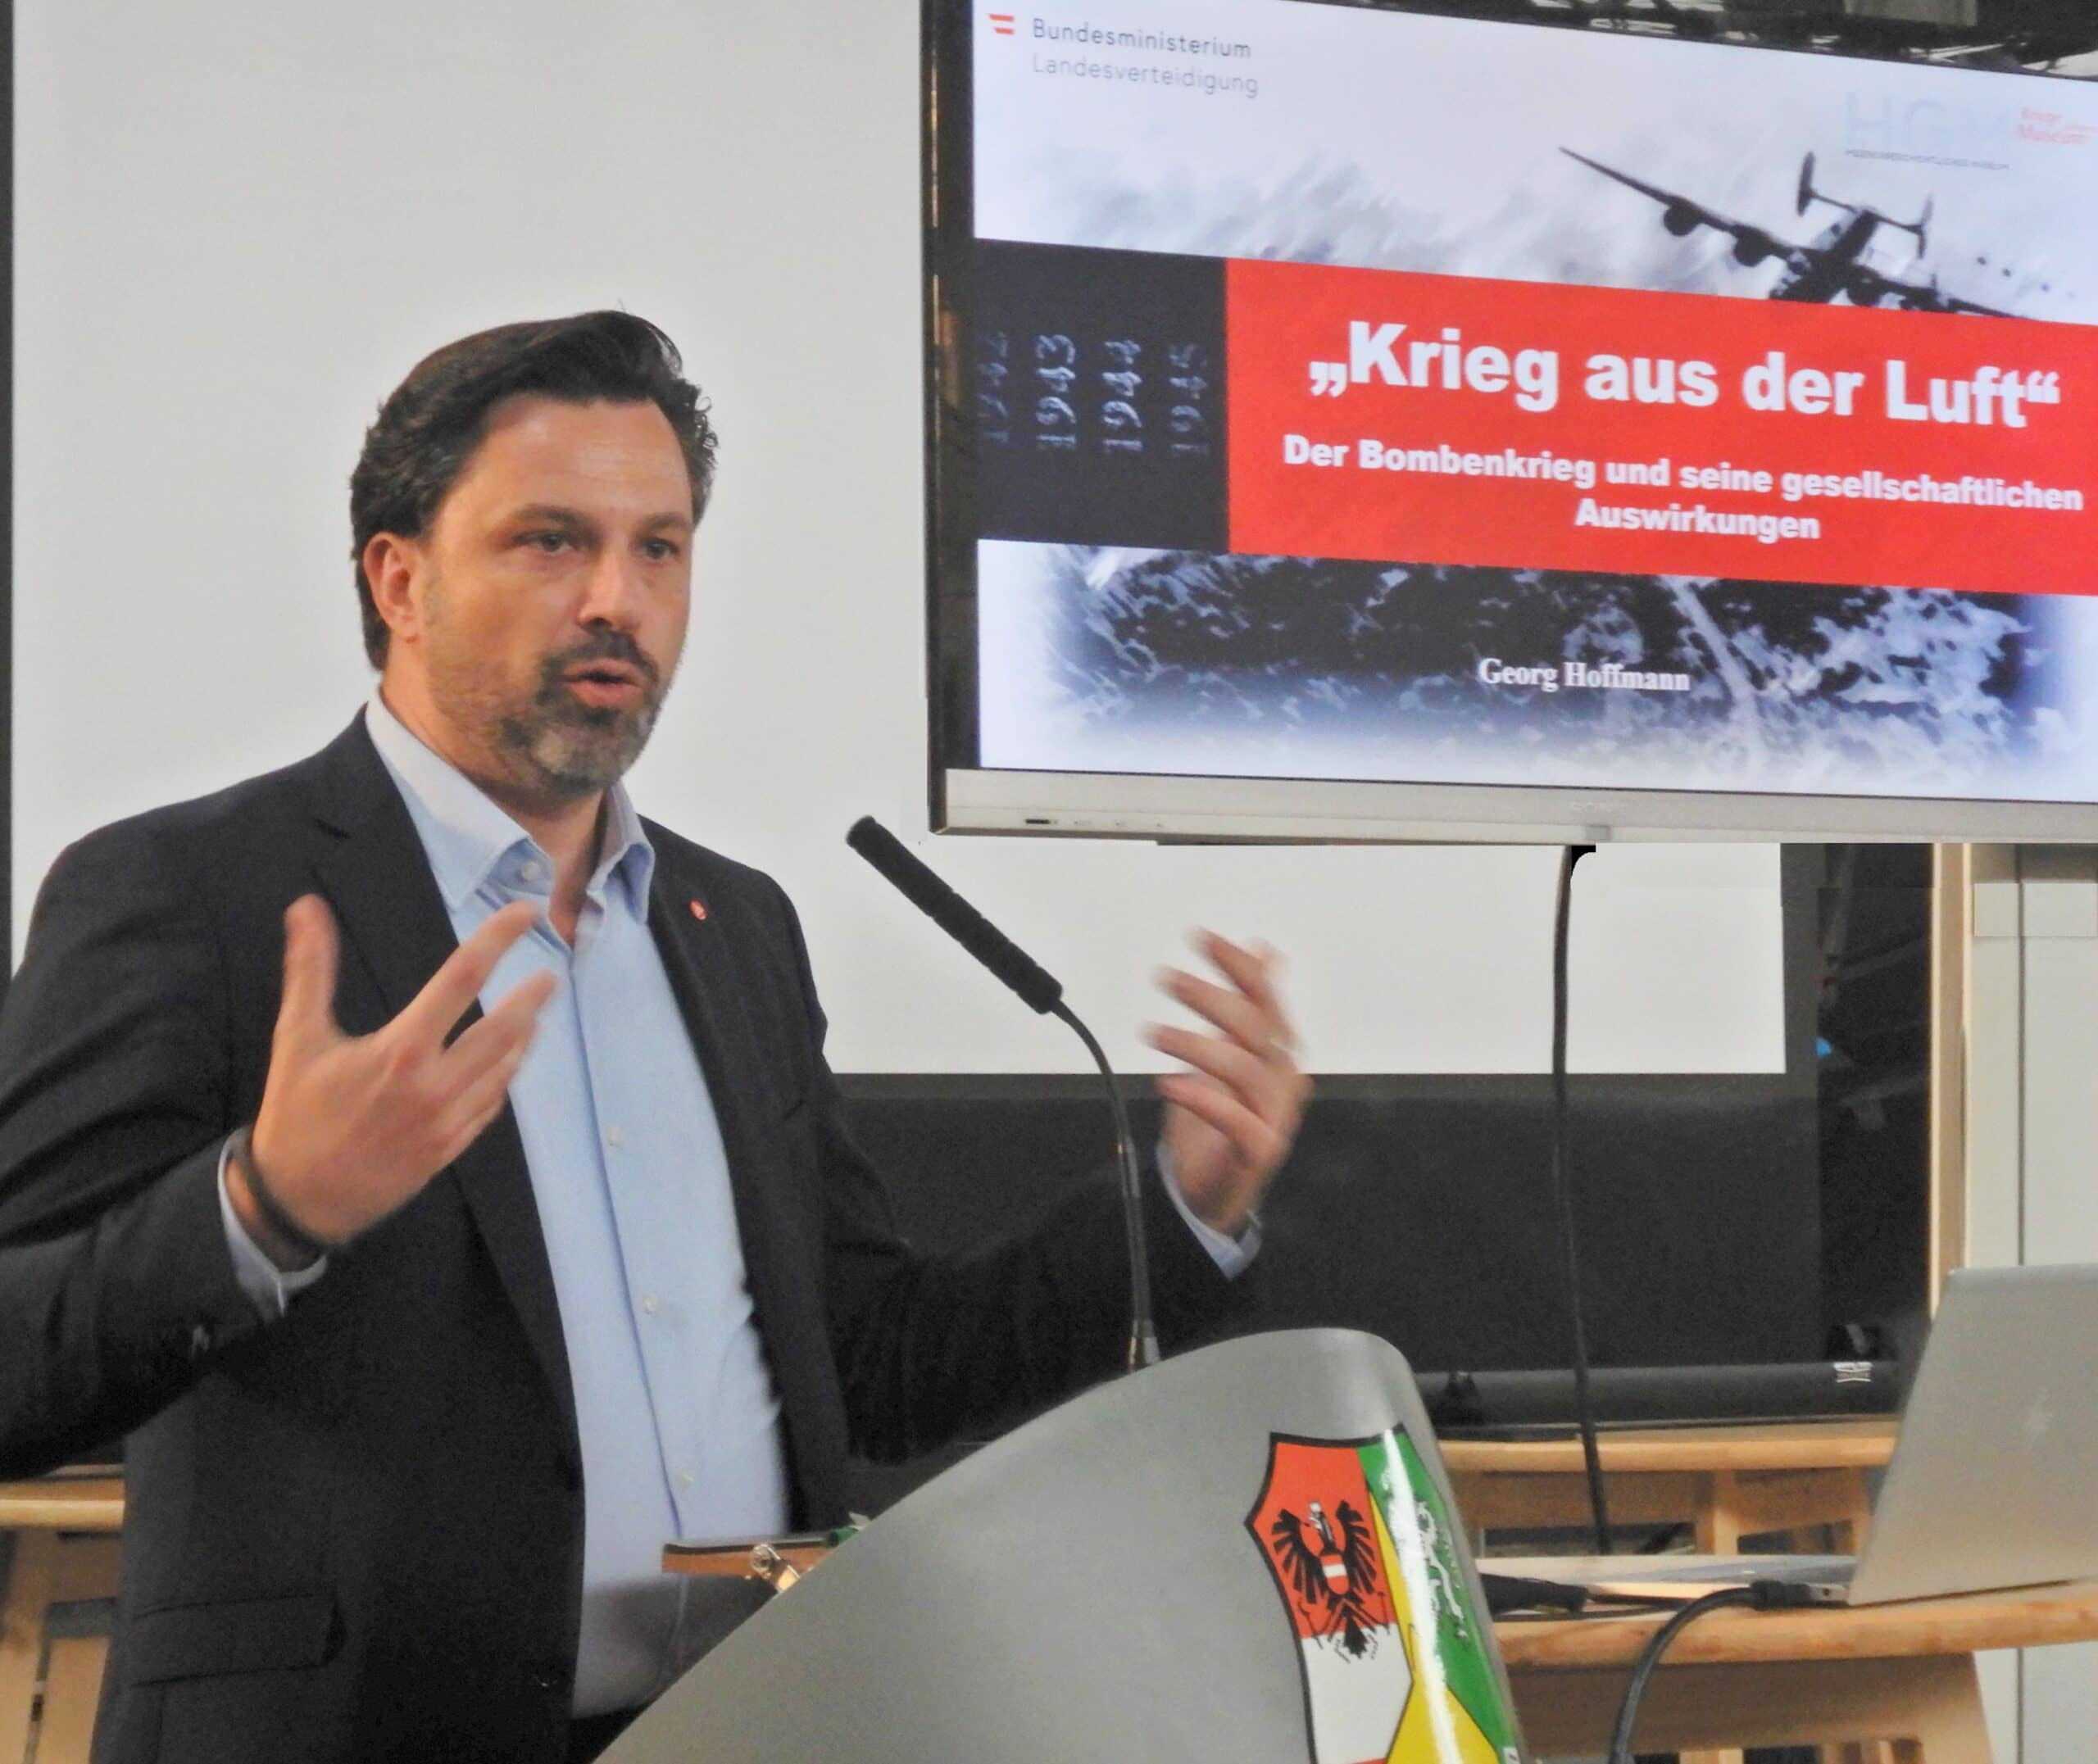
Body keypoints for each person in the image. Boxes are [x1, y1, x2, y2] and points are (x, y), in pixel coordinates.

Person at [0, 312, 1310, 1763]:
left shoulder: (731, 925)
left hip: (741, 1729)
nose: (616, 600)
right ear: (399, 579)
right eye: (550, 541)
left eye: (660, 549)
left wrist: (1179, 1209)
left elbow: (869, 1358)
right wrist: (259, 1211)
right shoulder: (195, 895)